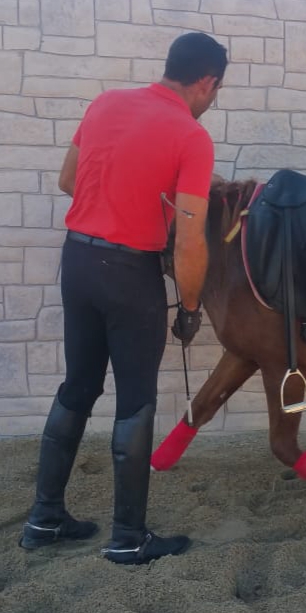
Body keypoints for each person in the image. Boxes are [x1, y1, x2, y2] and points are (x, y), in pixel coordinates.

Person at [19, 32, 228, 565]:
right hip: (130, 275)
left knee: (78, 387)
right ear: (206, 82)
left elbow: (69, 180)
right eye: (216, 91)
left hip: (78, 262)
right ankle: (129, 537)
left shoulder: (106, 102)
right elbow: (189, 242)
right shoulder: (191, 136)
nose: (212, 101)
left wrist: (119, 201)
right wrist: (190, 308)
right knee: (135, 401)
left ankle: (44, 518)